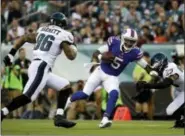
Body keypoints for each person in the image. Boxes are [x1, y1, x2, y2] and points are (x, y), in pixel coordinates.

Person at [67, 28, 157, 128]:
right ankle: (68, 101)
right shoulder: (114, 42)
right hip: (100, 71)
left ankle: (105, 119)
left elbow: (144, 64)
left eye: (132, 41)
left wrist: (151, 71)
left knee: (114, 94)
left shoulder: (134, 52)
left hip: (112, 77)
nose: (129, 43)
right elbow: (96, 53)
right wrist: (103, 57)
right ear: (123, 38)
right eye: (127, 40)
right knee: (84, 94)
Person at [1, 12, 77, 128]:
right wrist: (72, 48)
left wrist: (11, 54)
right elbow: (71, 56)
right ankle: (2, 113)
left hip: (38, 66)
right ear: (62, 24)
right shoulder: (64, 35)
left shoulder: (42, 30)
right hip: (42, 66)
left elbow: (25, 38)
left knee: (65, 86)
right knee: (28, 97)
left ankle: (59, 117)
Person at [136, 53, 184, 128]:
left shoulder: (171, 69)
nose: (156, 69)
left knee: (170, 110)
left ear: (161, 63)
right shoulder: (166, 67)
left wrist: (146, 85)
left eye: (156, 66)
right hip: (179, 89)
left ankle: (181, 121)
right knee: (173, 110)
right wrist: (147, 86)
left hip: (183, 90)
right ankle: (180, 122)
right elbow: (157, 80)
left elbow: (165, 84)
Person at [132, 52, 153, 120]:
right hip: (145, 84)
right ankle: (144, 116)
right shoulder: (145, 66)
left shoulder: (138, 65)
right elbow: (143, 75)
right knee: (144, 101)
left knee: (140, 101)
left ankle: (139, 116)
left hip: (140, 85)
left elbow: (134, 77)